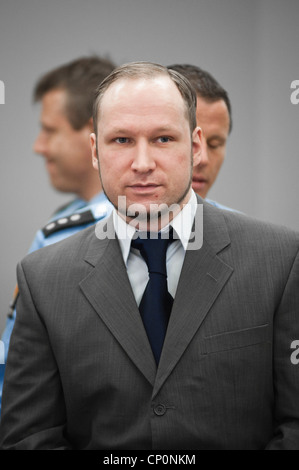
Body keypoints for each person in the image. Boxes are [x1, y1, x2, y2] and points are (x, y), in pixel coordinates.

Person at [1, 62, 299, 450]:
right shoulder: (44, 279)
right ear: (95, 150)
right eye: (121, 140)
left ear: (194, 146)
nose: (142, 164)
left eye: (162, 139)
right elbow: (29, 437)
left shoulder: (279, 261)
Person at [0, 56, 115, 412]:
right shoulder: (67, 219)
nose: (39, 146)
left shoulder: (69, 234)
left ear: (93, 133)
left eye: (50, 130)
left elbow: (16, 369)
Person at [168, 64, 232, 209]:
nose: (203, 159)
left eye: (214, 144)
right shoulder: (106, 226)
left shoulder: (241, 230)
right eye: (191, 141)